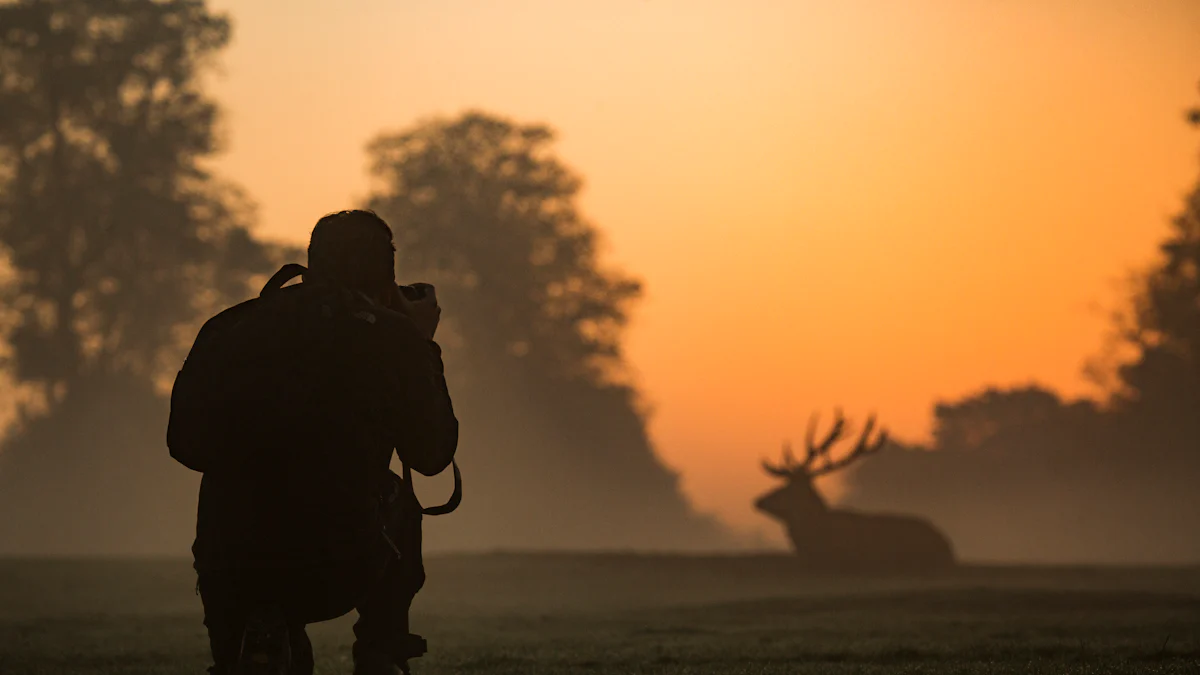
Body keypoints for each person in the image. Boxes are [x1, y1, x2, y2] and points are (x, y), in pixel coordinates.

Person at [167, 209, 459, 675]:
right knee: (398, 498)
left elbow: (185, 446)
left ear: (312, 261)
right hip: (338, 562)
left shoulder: (232, 327)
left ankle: (258, 637)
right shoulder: (390, 338)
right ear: (387, 275)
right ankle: (382, 651)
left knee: (228, 510)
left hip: (233, 563)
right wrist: (421, 344)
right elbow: (431, 455)